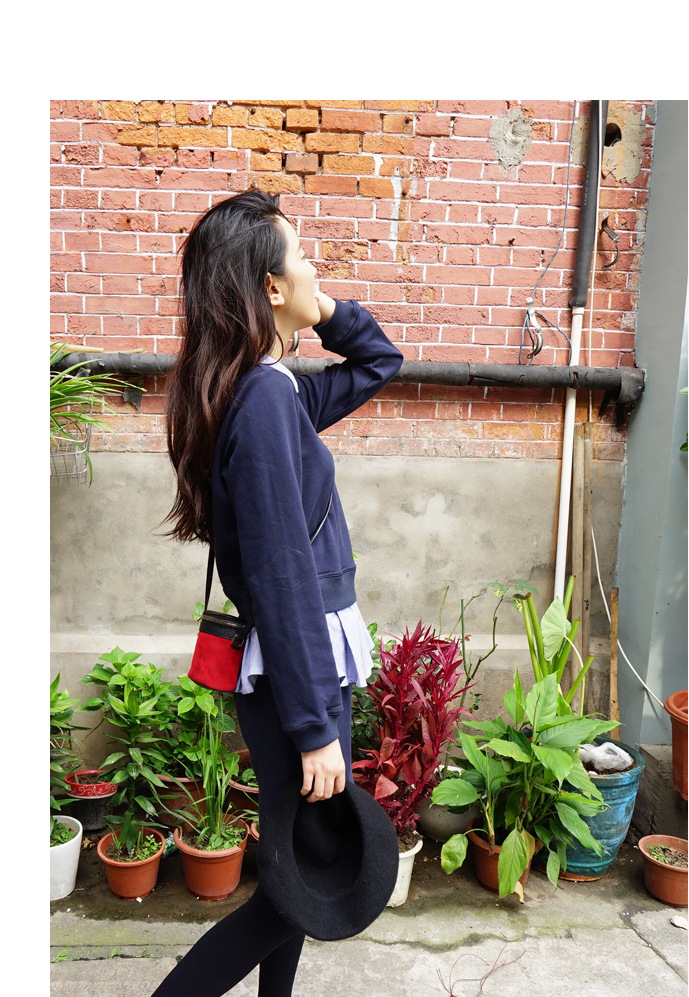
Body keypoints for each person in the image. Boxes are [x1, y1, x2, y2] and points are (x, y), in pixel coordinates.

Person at [154, 189, 403, 997]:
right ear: (267, 284)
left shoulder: (272, 390)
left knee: (297, 866)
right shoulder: (262, 400)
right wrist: (314, 728)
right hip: (299, 677)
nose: (315, 268)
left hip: (298, 672)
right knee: (299, 887)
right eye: (303, 257)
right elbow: (283, 575)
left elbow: (378, 362)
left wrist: (320, 307)